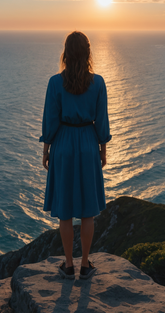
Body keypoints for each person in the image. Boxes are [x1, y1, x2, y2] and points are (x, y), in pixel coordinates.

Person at [40, 31, 111, 280]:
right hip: (88, 143)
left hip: (63, 144)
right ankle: (85, 265)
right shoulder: (99, 83)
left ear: (66, 54)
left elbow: (50, 119)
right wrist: (102, 149)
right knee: (88, 211)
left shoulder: (55, 83)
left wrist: (46, 149)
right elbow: (101, 121)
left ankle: (68, 265)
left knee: (66, 209)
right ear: (88, 53)